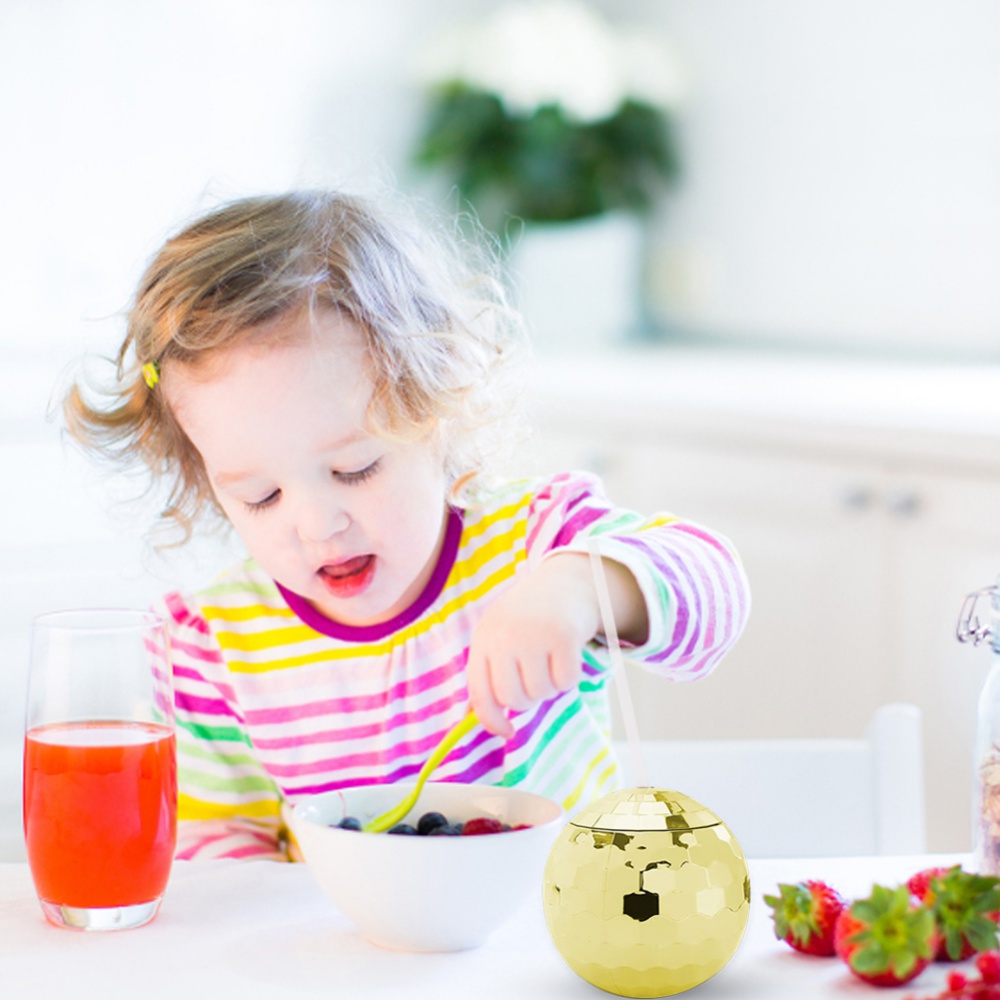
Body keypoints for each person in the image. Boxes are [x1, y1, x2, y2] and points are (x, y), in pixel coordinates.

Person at [65, 189, 750, 861]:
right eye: (261, 495)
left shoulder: (536, 543)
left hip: (560, 938)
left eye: (355, 469)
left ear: (436, 411)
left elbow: (716, 592)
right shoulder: (215, 647)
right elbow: (219, 847)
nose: (316, 524)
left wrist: (580, 588)